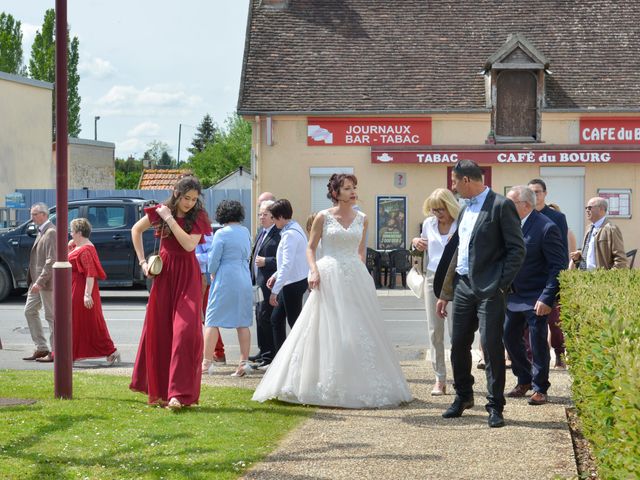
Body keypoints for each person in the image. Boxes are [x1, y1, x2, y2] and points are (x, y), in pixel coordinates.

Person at [253, 173, 413, 408]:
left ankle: (357, 380)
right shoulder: (323, 217)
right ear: (336, 193)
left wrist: (360, 272)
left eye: (354, 187)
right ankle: (316, 380)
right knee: (324, 326)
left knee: (357, 327)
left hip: (355, 276)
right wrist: (314, 271)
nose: (353, 191)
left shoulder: (363, 218)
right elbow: (310, 248)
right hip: (329, 274)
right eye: (347, 188)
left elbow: (361, 251)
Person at [435, 160, 525, 428]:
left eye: (454, 182)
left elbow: (517, 250)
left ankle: (495, 406)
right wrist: (446, 291)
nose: (452, 187)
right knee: (459, 344)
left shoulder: (500, 205)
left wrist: (500, 284)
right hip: (463, 286)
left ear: (466, 181)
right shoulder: (463, 210)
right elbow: (458, 253)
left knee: (491, 345)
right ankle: (463, 397)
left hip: (490, 289)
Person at [130, 175, 212, 410]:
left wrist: (169, 219)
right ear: (176, 192)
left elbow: (188, 245)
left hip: (188, 276)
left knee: (185, 332)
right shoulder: (160, 211)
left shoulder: (199, 216)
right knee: (161, 332)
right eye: (187, 198)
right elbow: (135, 230)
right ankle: (165, 393)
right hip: (164, 275)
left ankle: (180, 394)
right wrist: (143, 262)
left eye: (194, 199)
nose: (190, 203)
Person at [503, 186, 566, 406]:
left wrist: (547, 297)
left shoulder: (546, 228)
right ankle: (525, 379)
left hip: (537, 296)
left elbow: (558, 266)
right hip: (514, 296)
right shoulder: (510, 225)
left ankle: (540, 388)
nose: (506, 207)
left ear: (525, 205)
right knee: (508, 336)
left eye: (510, 203)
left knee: (538, 342)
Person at [410, 188, 459, 396]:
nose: (437, 214)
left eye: (441, 209)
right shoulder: (429, 223)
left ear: (450, 206)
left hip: (456, 276)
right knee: (434, 331)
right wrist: (416, 242)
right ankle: (440, 378)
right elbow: (421, 247)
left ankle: (460, 377)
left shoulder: (460, 223)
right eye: (433, 210)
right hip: (432, 277)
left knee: (456, 332)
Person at [203, 200, 254, 377]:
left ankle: (206, 363)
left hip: (226, 275)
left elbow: (214, 258)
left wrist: (212, 272)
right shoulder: (245, 231)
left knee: (212, 318)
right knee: (243, 321)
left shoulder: (221, 234)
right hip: (243, 274)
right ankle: (243, 362)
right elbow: (248, 253)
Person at [528, 180, 571, 369]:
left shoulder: (556, 217)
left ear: (545, 193)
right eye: (531, 192)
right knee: (529, 323)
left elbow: (561, 250)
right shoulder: (523, 216)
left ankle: (559, 354)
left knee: (554, 321)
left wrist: (559, 277)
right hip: (529, 278)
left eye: (537, 192)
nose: (534, 195)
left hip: (550, 276)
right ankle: (532, 359)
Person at [67, 218, 120, 364]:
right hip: (76, 288)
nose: (70, 234)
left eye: (72, 231)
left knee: (87, 323)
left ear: (78, 232)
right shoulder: (80, 246)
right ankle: (73, 353)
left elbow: (91, 274)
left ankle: (110, 351)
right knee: (81, 323)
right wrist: (71, 245)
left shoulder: (85, 250)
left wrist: (86, 295)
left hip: (80, 289)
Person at [266, 199, 310, 354]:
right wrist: (276, 275)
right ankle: (284, 356)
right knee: (278, 319)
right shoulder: (294, 228)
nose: (273, 221)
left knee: (294, 322)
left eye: (273, 218)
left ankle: (301, 354)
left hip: (292, 283)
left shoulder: (290, 234)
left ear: (280, 217)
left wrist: (274, 291)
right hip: (294, 280)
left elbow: (287, 264)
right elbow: (289, 262)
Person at [248, 200, 281, 369]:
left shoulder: (279, 233)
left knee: (267, 317)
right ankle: (263, 351)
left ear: (273, 215)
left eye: (265, 214)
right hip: (258, 282)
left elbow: (283, 260)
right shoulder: (261, 232)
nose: (261, 217)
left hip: (270, 283)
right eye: (260, 214)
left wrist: (266, 261)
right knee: (259, 317)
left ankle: (270, 356)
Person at [22, 203, 56, 363]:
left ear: (43, 214)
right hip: (36, 282)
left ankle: (56, 352)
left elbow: (51, 260)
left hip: (45, 283)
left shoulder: (51, 232)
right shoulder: (42, 230)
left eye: (34, 214)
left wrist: (41, 281)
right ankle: (42, 348)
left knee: (51, 317)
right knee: (29, 311)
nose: (32, 217)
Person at [570, 197, 627, 270]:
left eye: (590, 208)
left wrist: (608, 278)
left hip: (600, 278)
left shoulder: (611, 229)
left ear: (601, 209)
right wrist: (581, 254)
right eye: (586, 208)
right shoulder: (589, 228)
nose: (587, 210)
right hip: (585, 277)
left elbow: (621, 260)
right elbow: (594, 252)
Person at [195, 231, 226, 364]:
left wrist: (191, 257)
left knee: (207, 318)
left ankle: (218, 352)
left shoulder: (204, 230)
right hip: (185, 275)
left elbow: (211, 255)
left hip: (199, 276)